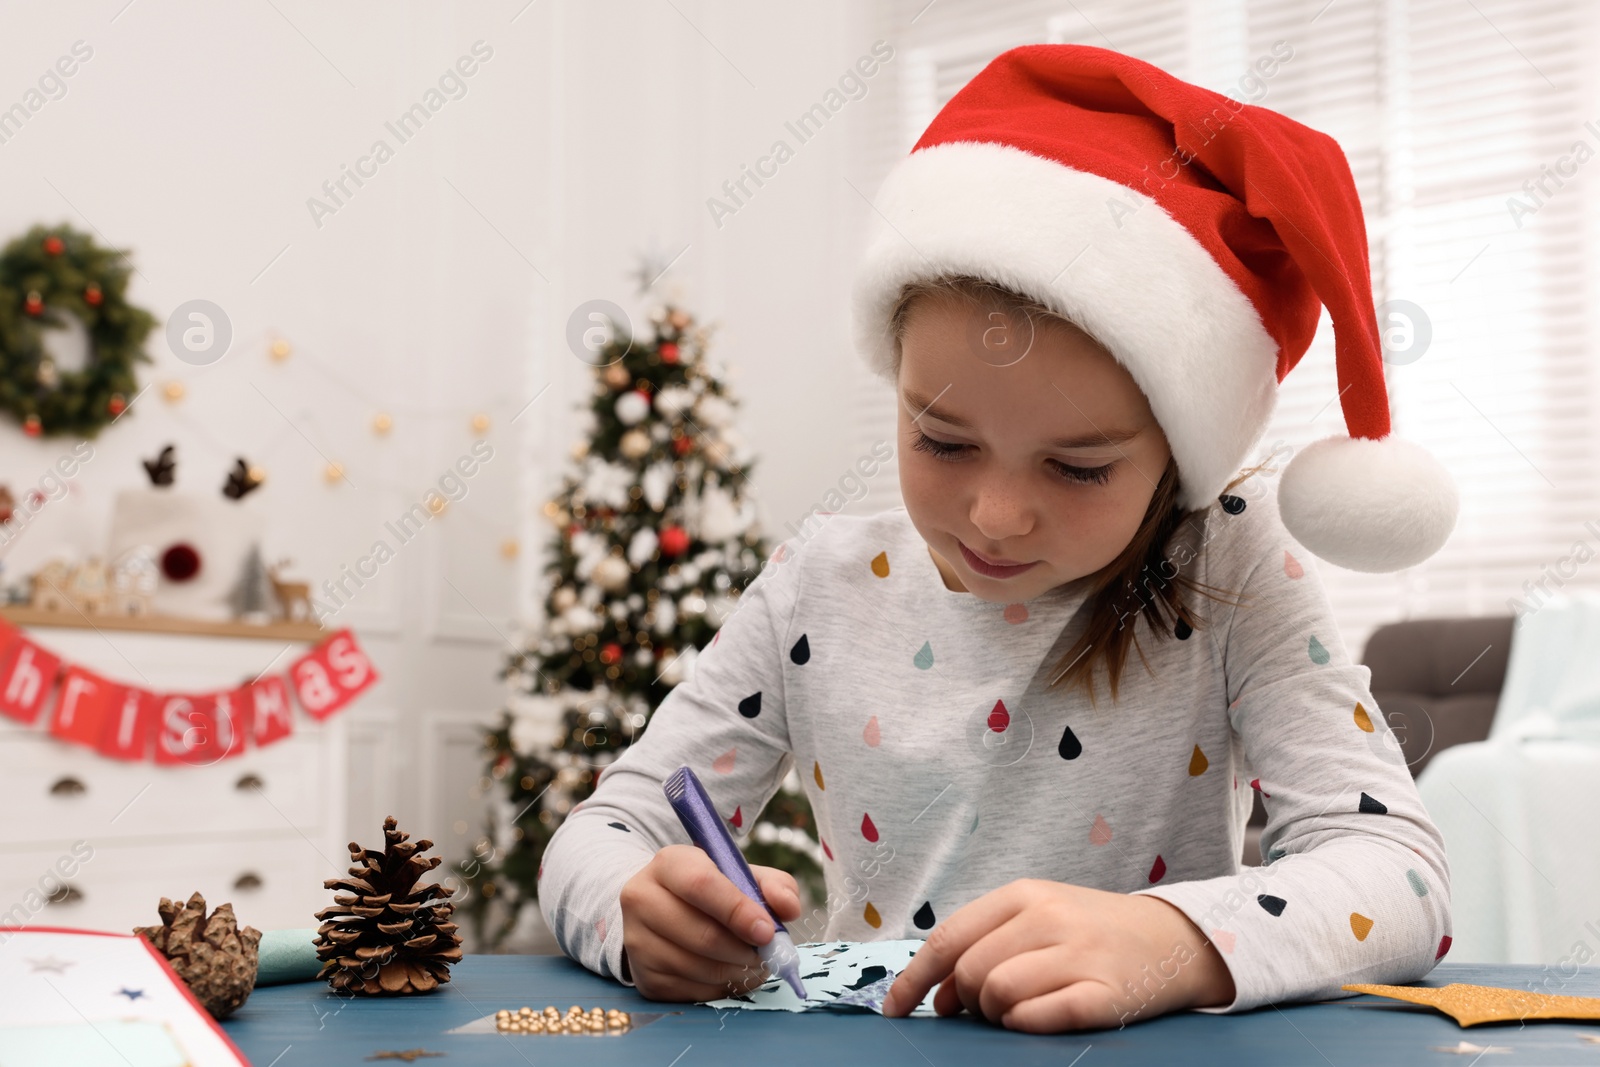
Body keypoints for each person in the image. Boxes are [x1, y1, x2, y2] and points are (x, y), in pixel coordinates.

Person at [537, 43, 1460, 1033]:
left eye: (1078, 466)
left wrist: (1169, 939)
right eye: (942, 438)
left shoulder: (1227, 564)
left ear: (1174, 454)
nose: (995, 514)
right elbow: (604, 830)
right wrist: (636, 916)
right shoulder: (815, 583)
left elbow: (1400, 875)